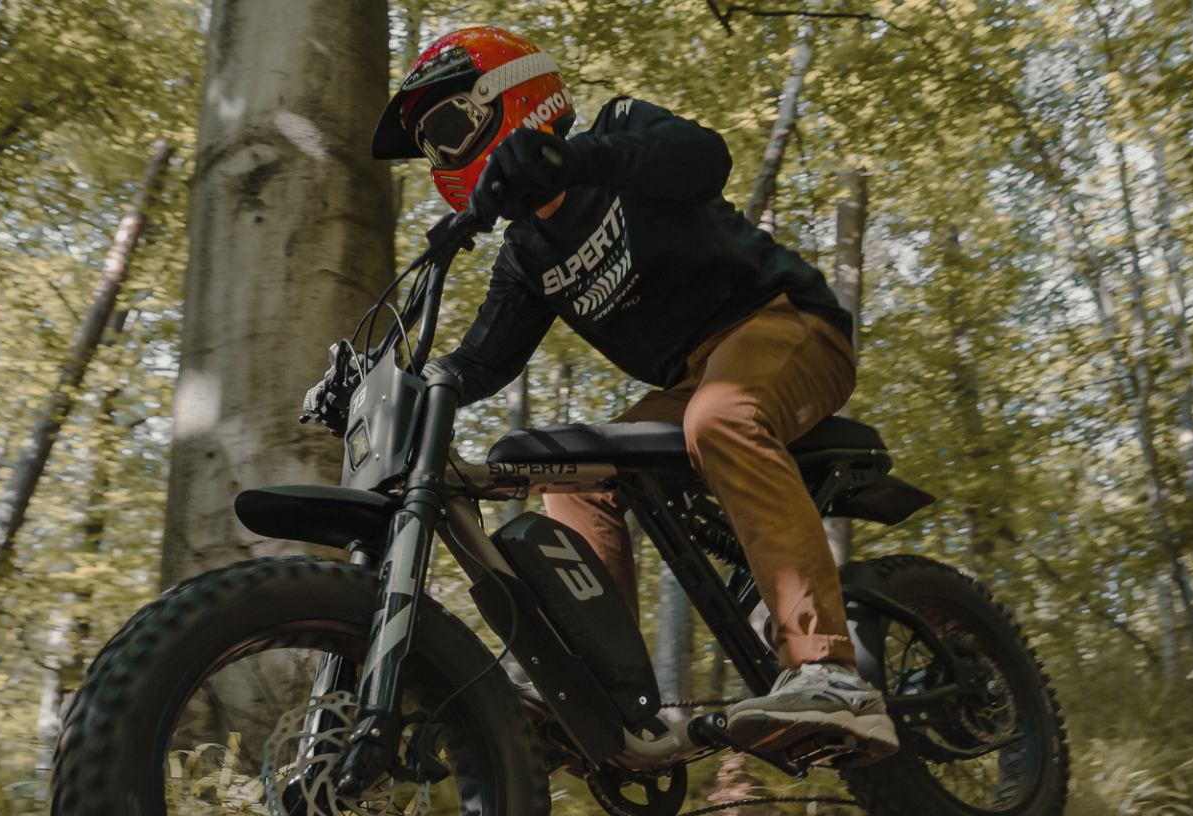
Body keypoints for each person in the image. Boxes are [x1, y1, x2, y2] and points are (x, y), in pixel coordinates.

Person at [368, 26, 896, 761]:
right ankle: (602, 699)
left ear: (507, 98)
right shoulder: (527, 255)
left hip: (788, 324)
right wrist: (411, 380)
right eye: (433, 145)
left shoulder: (617, 131)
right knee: (567, 471)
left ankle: (830, 673)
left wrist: (575, 159)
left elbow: (705, 158)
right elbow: (483, 360)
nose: (445, 154)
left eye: (451, 127)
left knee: (722, 416)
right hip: (693, 382)